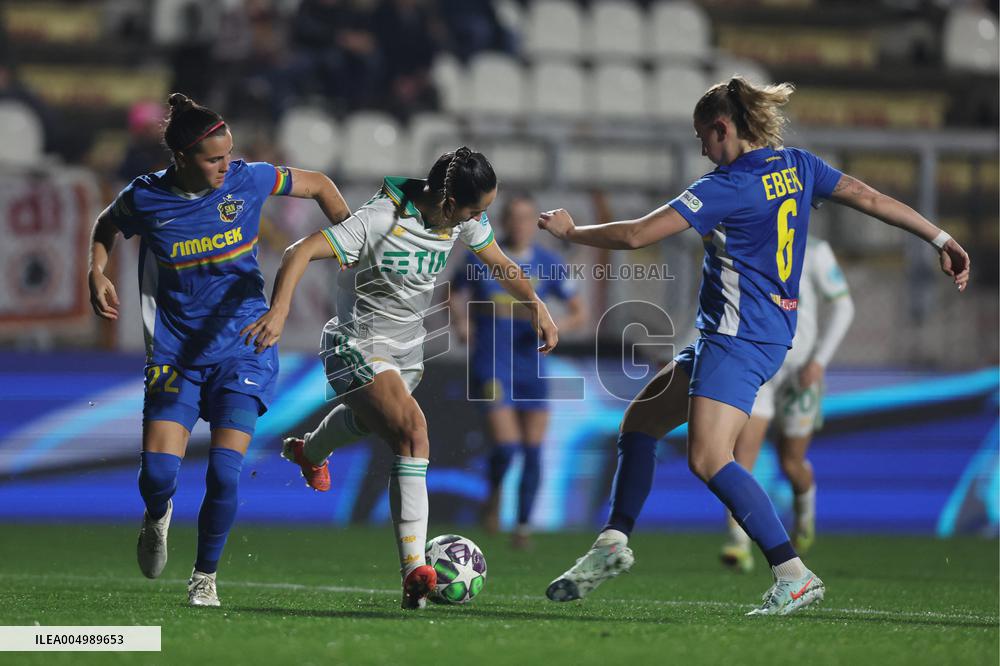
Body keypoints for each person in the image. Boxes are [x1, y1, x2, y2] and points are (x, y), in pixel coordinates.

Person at [536, 77, 970, 616]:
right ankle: (612, 542)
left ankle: (793, 573)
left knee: (708, 458)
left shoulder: (726, 185)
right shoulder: (800, 165)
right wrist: (940, 238)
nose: (702, 149)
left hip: (739, 336)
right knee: (639, 425)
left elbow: (636, 235)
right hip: (747, 332)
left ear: (723, 128)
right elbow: (869, 197)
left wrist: (572, 232)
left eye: (702, 136)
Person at [240, 147, 559, 609]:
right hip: (355, 343)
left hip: (407, 353)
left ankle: (309, 450)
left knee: (371, 422)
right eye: (476, 210)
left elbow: (500, 262)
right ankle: (414, 573)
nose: (480, 219)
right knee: (413, 433)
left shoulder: (461, 220)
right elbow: (299, 251)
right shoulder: (378, 220)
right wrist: (280, 311)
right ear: (449, 201)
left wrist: (536, 304)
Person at [87, 93, 351, 607]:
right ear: (181, 158)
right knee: (159, 475)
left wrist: (350, 243)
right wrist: (95, 271)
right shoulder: (146, 197)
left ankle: (204, 577)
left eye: (228, 155)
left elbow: (320, 184)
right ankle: (157, 514)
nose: (226, 165)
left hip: (244, 346)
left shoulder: (246, 179)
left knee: (224, 472)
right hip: (176, 353)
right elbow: (107, 225)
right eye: (214, 159)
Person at [449, 193, 586, 549]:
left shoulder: (548, 263)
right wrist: (462, 323)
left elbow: (578, 312)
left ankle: (523, 527)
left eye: (528, 218)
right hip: (491, 363)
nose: (522, 224)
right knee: (508, 447)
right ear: (504, 222)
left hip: (533, 365)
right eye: (515, 217)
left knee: (534, 450)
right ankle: (494, 492)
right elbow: (453, 293)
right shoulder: (481, 258)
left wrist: (553, 327)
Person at [721, 237, 855, 573]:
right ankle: (739, 542)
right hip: (760, 369)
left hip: (800, 373)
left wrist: (819, 361)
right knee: (740, 458)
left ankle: (804, 518)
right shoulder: (748, 243)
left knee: (791, 462)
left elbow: (844, 306)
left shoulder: (814, 251)